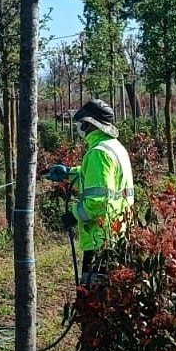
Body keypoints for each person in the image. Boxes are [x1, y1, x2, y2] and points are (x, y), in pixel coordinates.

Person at [45, 99, 135, 284]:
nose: (80, 127)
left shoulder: (98, 153)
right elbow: (99, 179)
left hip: (100, 238)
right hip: (118, 232)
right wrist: (69, 173)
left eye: (82, 123)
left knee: (94, 294)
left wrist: (74, 215)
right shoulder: (114, 147)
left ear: (90, 124)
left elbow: (98, 201)